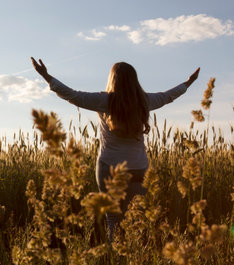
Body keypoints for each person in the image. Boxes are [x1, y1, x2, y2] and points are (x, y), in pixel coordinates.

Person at [31, 57, 200, 241]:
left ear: (113, 80)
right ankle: (136, 260)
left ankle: (117, 262)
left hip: (109, 167)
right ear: (134, 80)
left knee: (113, 219)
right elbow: (168, 96)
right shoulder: (144, 101)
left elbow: (73, 95)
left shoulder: (104, 101)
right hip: (138, 168)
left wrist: (47, 76)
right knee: (137, 218)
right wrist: (188, 83)